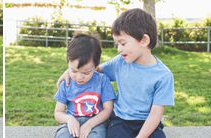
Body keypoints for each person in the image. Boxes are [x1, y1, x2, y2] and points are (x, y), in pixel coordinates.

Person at [58, 8, 174, 138]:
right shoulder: (120, 62)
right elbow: (92, 69)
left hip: (149, 124)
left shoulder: (163, 76)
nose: (119, 49)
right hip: (120, 121)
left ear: (144, 40)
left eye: (123, 43)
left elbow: (155, 114)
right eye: (117, 44)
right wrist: (69, 72)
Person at [53, 34, 115, 138]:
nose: (79, 77)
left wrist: (89, 124)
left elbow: (108, 109)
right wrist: (69, 119)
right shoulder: (66, 83)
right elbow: (58, 113)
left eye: (85, 73)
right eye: (73, 71)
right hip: (71, 121)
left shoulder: (102, 81)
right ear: (68, 63)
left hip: (96, 123)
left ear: (96, 67)